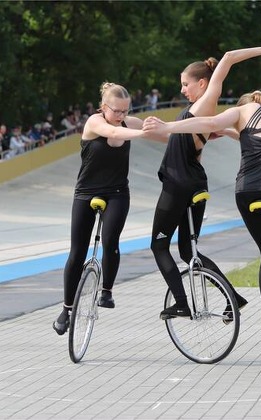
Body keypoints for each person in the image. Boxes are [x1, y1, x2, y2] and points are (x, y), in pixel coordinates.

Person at [143, 89, 261, 317]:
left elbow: (213, 122)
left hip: (246, 191)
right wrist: (229, 131)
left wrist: (167, 126)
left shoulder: (239, 111)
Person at [146, 42, 261, 320]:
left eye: (186, 84)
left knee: (159, 246)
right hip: (194, 182)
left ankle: (182, 303)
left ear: (202, 83)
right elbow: (191, 139)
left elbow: (228, 57)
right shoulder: (200, 114)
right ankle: (233, 297)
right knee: (188, 251)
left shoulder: (206, 101)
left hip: (178, 184)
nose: (182, 89)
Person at [53, 82, 165, 335]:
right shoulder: (94, 122)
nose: (121, 116)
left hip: (117, 193)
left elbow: (163, 135)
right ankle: (66, 309)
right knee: (77, 251)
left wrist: (186, 136)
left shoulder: (129, 123)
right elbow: (113, 133)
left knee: (111, 240)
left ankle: (107, 291)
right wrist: (142, 134)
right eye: (116, 111)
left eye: (125, 111)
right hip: (86, 193)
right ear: (104, 107)